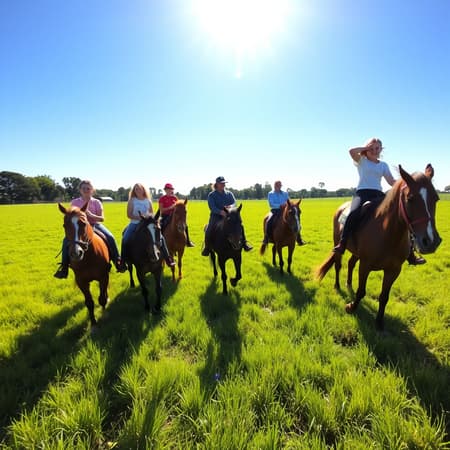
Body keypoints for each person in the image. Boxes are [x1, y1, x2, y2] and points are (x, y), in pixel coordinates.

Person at [332, 138, 426, 265]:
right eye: (372, 148)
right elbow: (351, 151)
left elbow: (391, 181)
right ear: (367, 149)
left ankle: (410, 253)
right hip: (362, 193)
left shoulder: (383, 165)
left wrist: (406, 184)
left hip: (378, 194)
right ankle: (343, 243)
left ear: (381, 150)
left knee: (401, 216)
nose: (375, 151)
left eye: (377, 148)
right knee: (353, 213)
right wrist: (365, 149)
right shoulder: (361, 161)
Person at [54, 179, 123, 278]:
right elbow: (71, 216)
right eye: (84, 188)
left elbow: (102, 218)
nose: (86, 190)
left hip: (95, 225)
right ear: (80, 190)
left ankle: (117, 261)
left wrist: (90, 214)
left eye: (88, 188)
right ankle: (64, 268)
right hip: (79, 227)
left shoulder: (96, 202)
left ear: (92, 190)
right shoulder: (75, 202)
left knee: (110, 237)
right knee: (66, 241)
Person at [119, 183, 175, 268]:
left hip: (147, 224)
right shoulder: (132, 200)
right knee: (125, 238)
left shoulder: (147, 201)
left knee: (161, 238)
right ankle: (123, 261)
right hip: (134, 223)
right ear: (134, 191)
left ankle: (168, 259)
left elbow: (152, 214)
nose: (138, 190)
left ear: (143, 190)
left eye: (139, 189)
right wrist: (141, 218)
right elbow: (129, 215)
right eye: (136, 189)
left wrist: (149, 220)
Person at [202, 176, 253, 256]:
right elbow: (212, 207)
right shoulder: (211, 195)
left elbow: (234, 203)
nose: (223, 185)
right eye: (221, 183)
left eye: (224, 183)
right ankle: (207, 248)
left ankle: (244, 243)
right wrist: (220, 212)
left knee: (239, 225)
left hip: (229, 215)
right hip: (216, 216)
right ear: (217, 184)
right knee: (209, 228)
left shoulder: (229, 193)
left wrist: (230, 207)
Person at [262, 180, 306, 246]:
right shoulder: (270, 193)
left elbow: (289, 201)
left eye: (280, 186)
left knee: (295, 221)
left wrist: (290, 205)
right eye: (278, 186)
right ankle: (266, 238)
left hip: (284, 210)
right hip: (275, 210)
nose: (279, 187)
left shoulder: (285, 193)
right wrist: (279, 205)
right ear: (274, 186)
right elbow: (271, 204)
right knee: (268, 220)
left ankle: (299, 238)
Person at [158, 182, 195, 247]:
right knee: (161, 226)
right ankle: (160, 242)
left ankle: (188, 241)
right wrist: (170, 207)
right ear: (165, 190)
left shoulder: (175, 198)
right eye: (167, 189)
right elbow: (161, 210)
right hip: (165, 215)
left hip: (174, 216)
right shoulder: (162, 199)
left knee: (185, 226)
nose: (169, 190)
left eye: (170, 189)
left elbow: (178, 208)